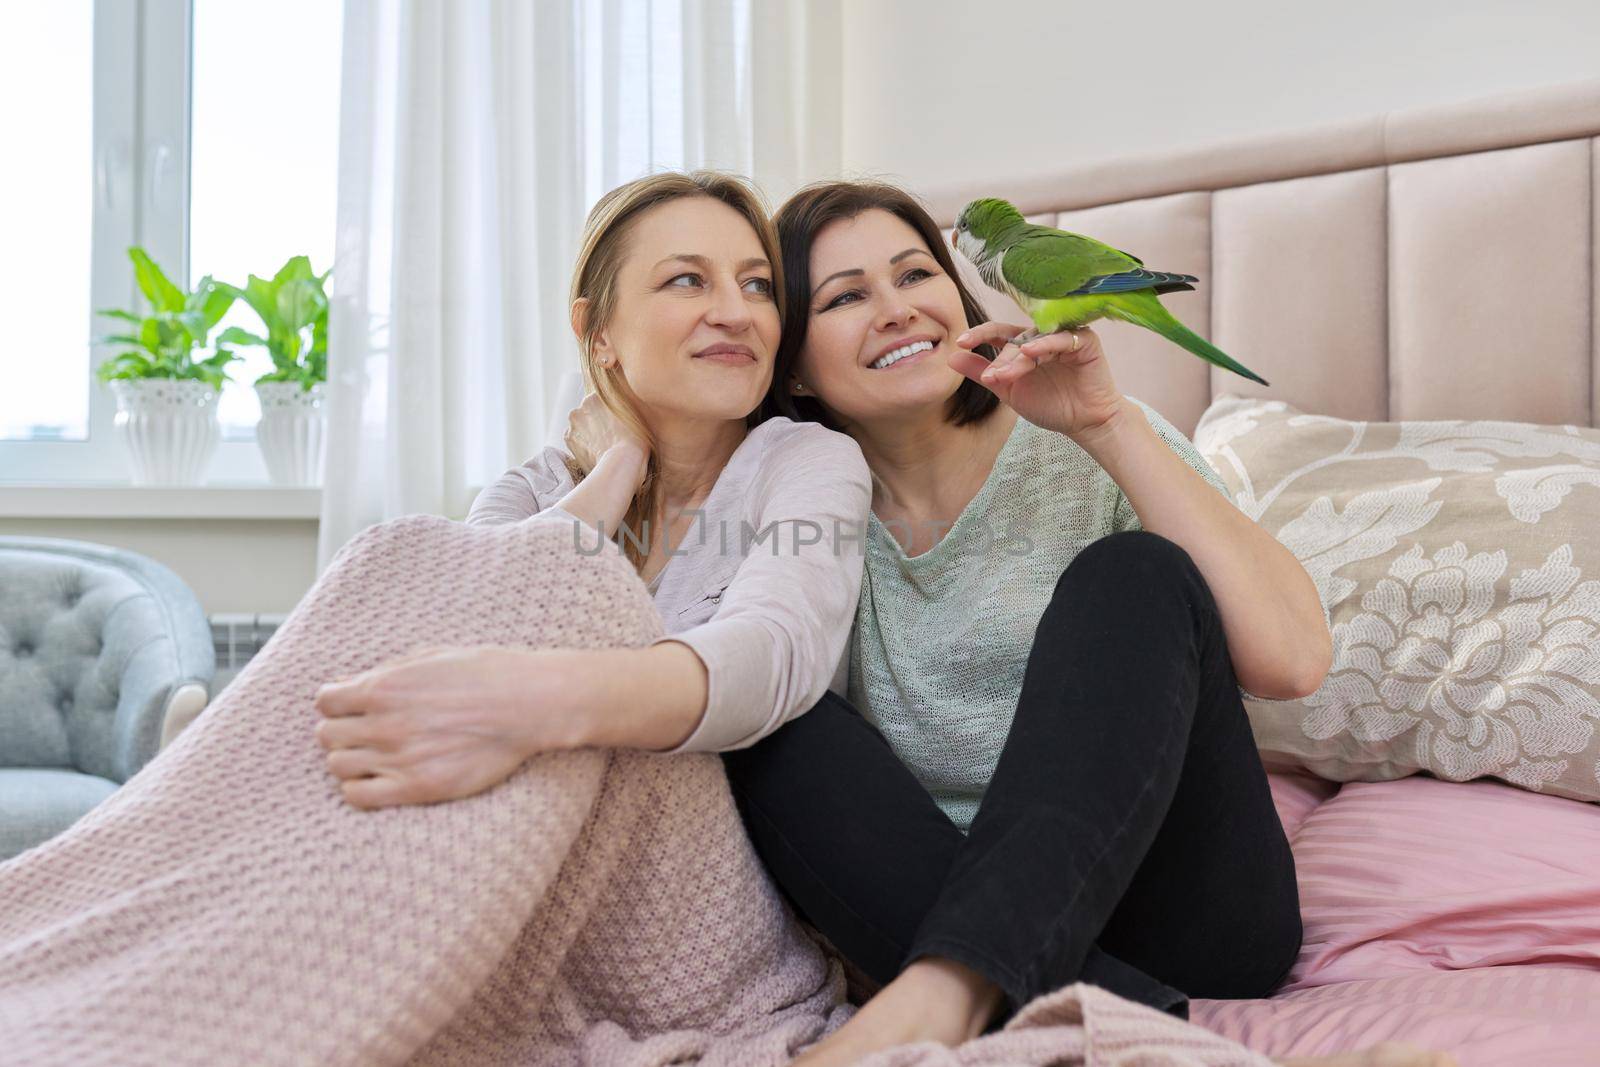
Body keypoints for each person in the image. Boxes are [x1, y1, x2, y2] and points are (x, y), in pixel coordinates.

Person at [719, 179, 1458, 1067]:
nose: (896, 308)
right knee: (758, 711)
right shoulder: (797, 515)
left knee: (1134, 574)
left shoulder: (1082, 438)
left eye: (917, 273)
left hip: (1183, 911)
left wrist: (1106, 427)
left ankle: (940, 1000)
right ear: (793, 362)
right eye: (845, 296)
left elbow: (1295, 659)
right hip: (943, 901)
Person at [311, 169, 872, 805]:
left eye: (757, 286)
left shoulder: (806, 464)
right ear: (597, 332)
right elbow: (475, 624)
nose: (736, 313)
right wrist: (618, 469)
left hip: (694, 841)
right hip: (512, 819)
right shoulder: (536, 488)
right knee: (388, 553)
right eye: (687, 280)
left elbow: (777, 655)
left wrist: (531, 706)